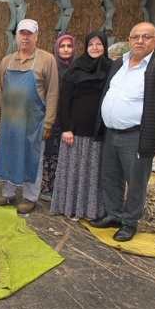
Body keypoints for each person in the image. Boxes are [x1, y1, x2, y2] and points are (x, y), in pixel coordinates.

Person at [90, 22, 155, 242]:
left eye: (146, 37)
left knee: (136, 181)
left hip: (137, 135)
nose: (140, 41)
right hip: (112, 132)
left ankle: (129, 222)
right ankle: (114, 214)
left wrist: (148, 125)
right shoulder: (118, 64)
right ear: (129, 40)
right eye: (135, 37)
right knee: (111, 176)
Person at [0, 19, 59, 214]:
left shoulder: (47, 60)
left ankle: (30, 198)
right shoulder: (7, 61)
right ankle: (8, 193)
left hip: (33, 122)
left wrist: (48, 123)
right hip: (10, 122)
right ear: (17, 36)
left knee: (32, 158)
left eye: (29, 33)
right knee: (8, 155)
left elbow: (53, 93)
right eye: (22, 33)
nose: (25, 37)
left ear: (36, 36)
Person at [50, 32, 112, 221]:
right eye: (91, 44)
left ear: (105, 46)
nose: (95, 47)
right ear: (85, 46)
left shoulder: (112, 68)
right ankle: (72, 208)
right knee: (76, 171)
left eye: (99, 44)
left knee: (94, 172)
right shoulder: (75, 68)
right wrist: (67, 128)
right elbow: (65, 100)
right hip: (75, 132)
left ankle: (92, 210)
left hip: (100, 131)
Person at [40, 34, 76, 202]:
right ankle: (47, 188)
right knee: (49, 153)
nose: (66, 49)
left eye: (69, 46)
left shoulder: (77, 69)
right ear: (57, 48)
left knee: (67, 154)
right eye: (62, 46)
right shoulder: (51, 67)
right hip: (52, 118)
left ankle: (63, 190)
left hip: (69, 120)